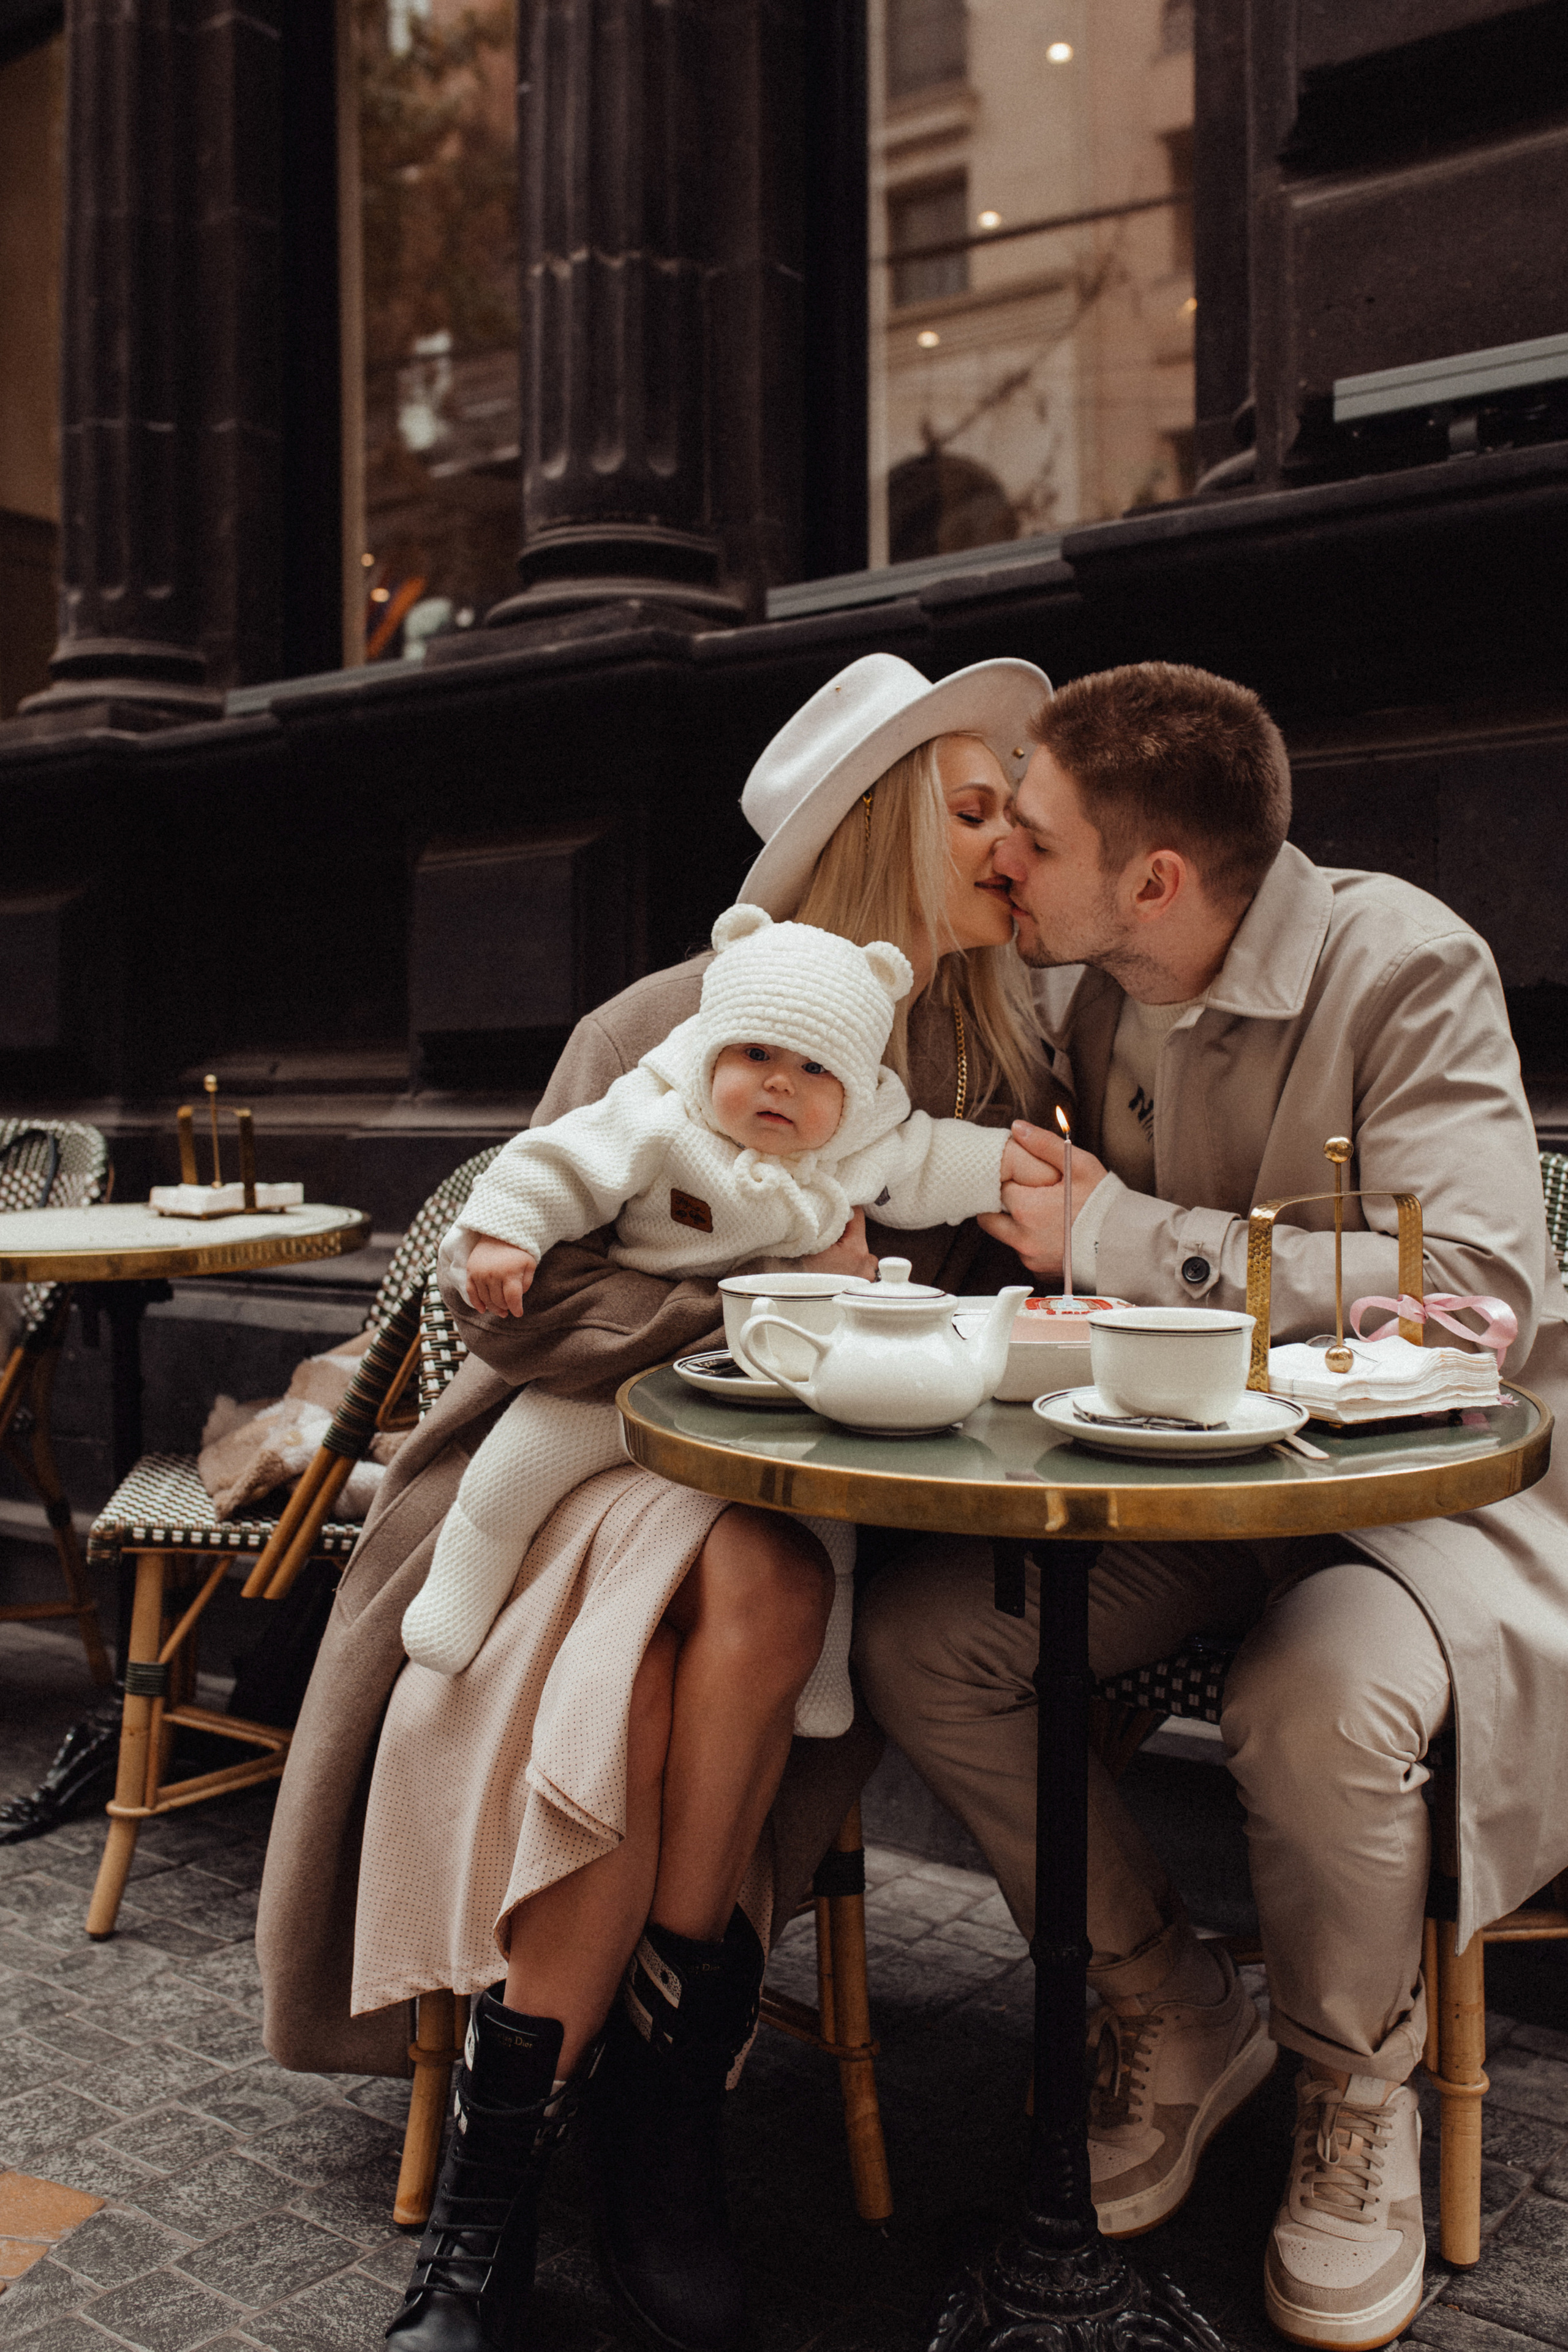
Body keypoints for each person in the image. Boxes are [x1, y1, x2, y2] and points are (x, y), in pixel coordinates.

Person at [254, 650, 1060, 2352]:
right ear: (875, 827)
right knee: (649, 1656)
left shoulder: (981, 1059)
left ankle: (636, 2107)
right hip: (577, 1456)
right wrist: (767, 1300)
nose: (1012, 847)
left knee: (765, 1577)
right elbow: (524, 1307)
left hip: (808, 1498)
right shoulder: (665, 1023)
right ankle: (588, 2148)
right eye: (975, 811)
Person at [855, 660, 1568, 2350]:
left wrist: (1121, 1236)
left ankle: (1351, 2092)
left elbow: (1478, 1291)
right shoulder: (1083, 992)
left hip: (1409, 1503)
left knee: (1312, 1697)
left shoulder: (1405, 964)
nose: (1001, 859)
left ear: (1155, 878)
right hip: (1181, 1486)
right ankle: (1169, 1998)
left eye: (1032, 837)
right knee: (925, 1640)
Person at [400, 903, 1044, 1687]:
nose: (781, 1082)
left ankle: (820, 1678)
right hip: (640, 1367)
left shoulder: (860, 1145)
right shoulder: (660, 1117)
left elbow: (933, 1162)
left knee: (824, 1519)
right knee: (518, 1465)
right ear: (712, 1050)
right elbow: (560, 1162)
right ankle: (458, 1592)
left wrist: (1007, 1168)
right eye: (756, 1053)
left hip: (788, 1376)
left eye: (816, 1070)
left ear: (851, 1092)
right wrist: (508, 1233)